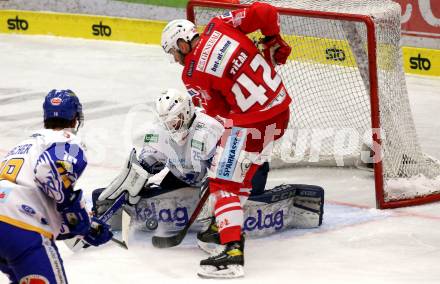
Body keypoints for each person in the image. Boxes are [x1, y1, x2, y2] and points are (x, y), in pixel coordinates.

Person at [161, 1, 293, 278]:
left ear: (183, 44)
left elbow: (217, 114)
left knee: (221, 181)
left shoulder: (191, 74)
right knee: (243, 175)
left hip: (251, 121)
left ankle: (231, 252)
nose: (175, 59)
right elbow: (266, 12)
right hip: (280, 109)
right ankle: (222, 226)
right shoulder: (220, 23)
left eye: (174, 52)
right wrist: (273, 39)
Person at [0, 89, 113, 284]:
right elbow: (48, 169)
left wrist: (85, 227)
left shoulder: (25, 144)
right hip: (21, 224)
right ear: (75, 118)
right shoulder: (66, 140)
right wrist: (76, 212)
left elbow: (43, 195)